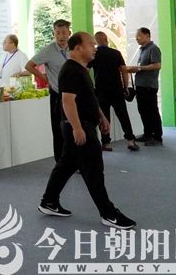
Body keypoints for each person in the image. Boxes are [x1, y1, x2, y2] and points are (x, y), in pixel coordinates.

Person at [38, 32, 136, 230]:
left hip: (83, 124)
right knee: (94, 170)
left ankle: (49, 201)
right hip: (79, 126)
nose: (95, 48)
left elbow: (88, 96)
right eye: (91, 44)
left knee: (66, 165)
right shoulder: (70, 70)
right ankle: (108, 213)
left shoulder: (81, 69)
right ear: (78, 48)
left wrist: (101, 115)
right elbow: (67, 101)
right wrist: (77, 127)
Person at [26, 19, 71, 161]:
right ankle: (60, 162)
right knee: (59, 129)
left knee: (74, 127)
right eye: (57, 33)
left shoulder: (74, 48)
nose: (61, 36)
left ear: (69, 33)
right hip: (57, 94)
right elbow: (29, 65)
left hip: (73, 94)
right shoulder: (48, 50)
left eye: (63, 32)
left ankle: (75, 161)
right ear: (54, 34)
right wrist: (45, 78)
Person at [88, 31, 138, 151]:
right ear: (106, 39)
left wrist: (90, 86)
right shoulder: (116, 53)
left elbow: (85, 70)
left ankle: (106, 143)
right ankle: (130, 141)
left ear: (96, 42)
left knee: (104, 117)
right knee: (123, 116)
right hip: (116, 90)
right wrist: (125, 87)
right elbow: (124, 71)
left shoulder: (94, 54)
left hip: (101, 90)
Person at [126, 27, 163, 146]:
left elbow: (157, 65)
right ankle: (148, 134)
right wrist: (135, 69)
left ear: (147, 35)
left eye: (139, 35)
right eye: (136, 36)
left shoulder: (153, 48)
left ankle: (157, 137)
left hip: (149, 85)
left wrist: (139, 68)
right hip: (141, 85)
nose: (136, 38)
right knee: (143, 111)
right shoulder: (142, 49)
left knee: (152, 111)